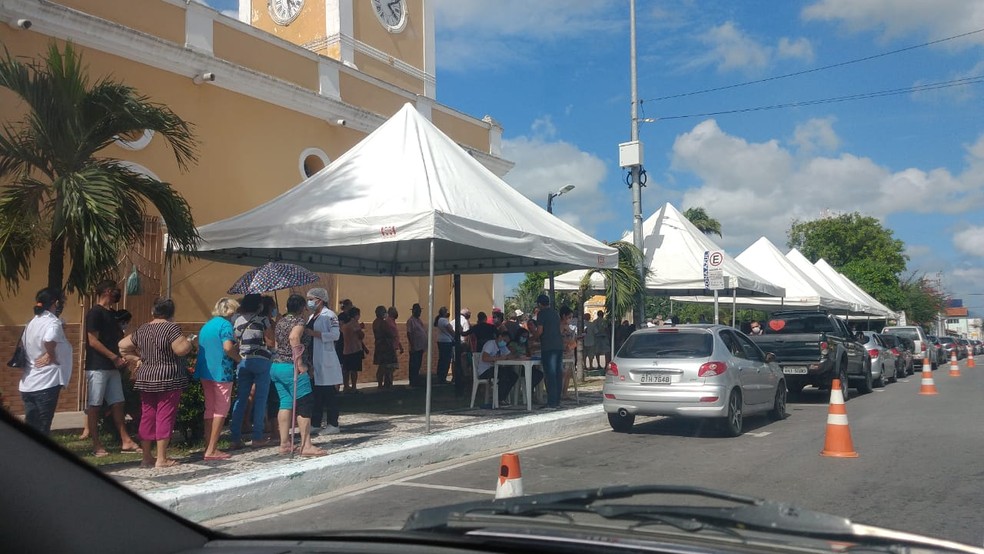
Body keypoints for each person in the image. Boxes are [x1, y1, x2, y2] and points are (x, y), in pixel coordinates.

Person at [119, 297, 192, 468]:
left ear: (153, 311)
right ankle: (161, 458)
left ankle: (146, 457)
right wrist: (189, 343)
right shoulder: (171, 328)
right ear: (171, 313)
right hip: (168, 377)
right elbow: (180, 350)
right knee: (165, 415)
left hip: (146, 377)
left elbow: (122, 345)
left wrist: (136, 358)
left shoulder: (142, 329)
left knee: (148, 415)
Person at [83, 280, 139, 456]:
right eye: (115, 290)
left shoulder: (112, 314)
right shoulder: (94, 313)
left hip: (113, 366)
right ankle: (96, 444)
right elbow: (92, 340)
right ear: (107, 291)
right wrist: (113, 356)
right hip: (98, 366)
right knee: (95, 404)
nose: (117, 293)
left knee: (117, 402)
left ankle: (126, 440)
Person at [270, 294, 325, 457]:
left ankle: (284, 443)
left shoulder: (280, 322)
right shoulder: (299, 322)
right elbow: (294, 337)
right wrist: (300, 363)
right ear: (302, 307)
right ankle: (306, 444)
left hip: (277, 365)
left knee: (285, 403)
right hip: (291, 367)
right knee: (305, 404)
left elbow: (277, 343)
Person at [19, 288, 72, 436]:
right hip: (46, 382)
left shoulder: (32, 322)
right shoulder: (52, 322)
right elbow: (49, 338)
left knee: (32, 424)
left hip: (28, 383)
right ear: (55, 303)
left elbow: (25, 344)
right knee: (43, 425)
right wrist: (51, 354)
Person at [194, 297, 241, 461]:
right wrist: (238, 358)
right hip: (221, 371)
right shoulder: (225, 325)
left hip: (205, 371)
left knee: (210, 409)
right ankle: (212, 449)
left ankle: (208, 445)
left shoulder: (208, 325)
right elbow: (227, 347)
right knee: (221, 409)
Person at [229, 293, 275, 449]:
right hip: (261, 360)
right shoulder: (263, 320)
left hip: (243, 361)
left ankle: (235, 437)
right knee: (261, 399)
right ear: (258, 306)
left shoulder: (237, 321)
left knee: (241, 398)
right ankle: (257, 437)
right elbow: (270, 342)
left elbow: (235, 341)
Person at [305, 287, 342, 435]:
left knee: (328, 393)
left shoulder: (330, 316)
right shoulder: (312, 316)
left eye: (311, 299)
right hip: (314, 358)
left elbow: (335, 335)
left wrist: (315, 334)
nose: (309, 302)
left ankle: (333, 424)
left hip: (325, 358)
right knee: (316, 393)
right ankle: (315, 422)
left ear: (319, 300)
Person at [533, 294, 564, 410]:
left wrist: (533, 338)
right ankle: (557, 401)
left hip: (548, 346)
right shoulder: (555, 313)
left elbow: (540, 330)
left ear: (540, 304)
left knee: (550, 374)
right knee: (557, 373)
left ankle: (551, 403)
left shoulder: (541, 314)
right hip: (558, 345)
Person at [373, 305, 400, 388]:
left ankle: (382, 383)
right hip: (385, 346)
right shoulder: (382, 322)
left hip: (379, 345)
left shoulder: (375, 322)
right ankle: (384, 384)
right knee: (386, 366)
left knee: (383, 366)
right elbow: (389, 333)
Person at [340, 307, 366, 393]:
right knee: (354, 370)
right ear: (356, 315)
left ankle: (346, 386)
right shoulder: (354, 323)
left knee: (346, 370)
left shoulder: (345, 324)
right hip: (355, 349)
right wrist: (361, 328)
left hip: (346, 349)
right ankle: (354, 387)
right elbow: (361, 335)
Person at [405, 303, 427, 387]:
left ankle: (416, 380)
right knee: (414, 364)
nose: (420, 312)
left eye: (420, 311)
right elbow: (409, 333)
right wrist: (412, 345)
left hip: (420, 347)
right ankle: (412, 381)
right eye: (418, 311)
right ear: (414, 311)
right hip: (415, 347)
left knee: (418, 364)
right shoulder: (410, 321)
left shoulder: (419, 320)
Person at [560, 306, 577, 399]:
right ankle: (560, 392)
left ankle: (565, 393)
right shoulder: (560, 327)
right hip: (564, 352)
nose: (571, 319)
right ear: (564, 316)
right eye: (569, 317)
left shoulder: (569, 327)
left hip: (570, 351)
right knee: (563, 373)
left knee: (568, 373)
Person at [434, 306, 454, 384]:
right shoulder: (443, 320)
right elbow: (450, 330)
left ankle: (440, 377)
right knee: (446, 360)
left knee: (442, 359)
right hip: (446, 341)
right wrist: (456, 336)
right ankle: (442, 377)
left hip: (441, 341)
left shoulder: (440, 320)